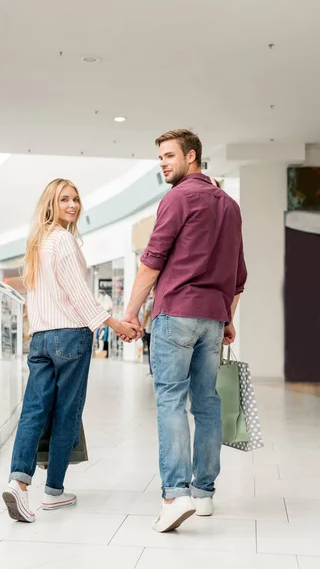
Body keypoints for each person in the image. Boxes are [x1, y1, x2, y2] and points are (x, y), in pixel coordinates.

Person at [122, 129, 247, 533]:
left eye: (169, 155)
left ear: (192, 156)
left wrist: (131, 313)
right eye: (159, 156)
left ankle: (175, 495)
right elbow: (238, 275)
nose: (162, 162)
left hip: (176, 312)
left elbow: (152, 260)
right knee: (207, 403)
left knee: (171, 400)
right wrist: (227, 318)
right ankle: (204, 493)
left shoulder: (177, 198)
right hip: (212, 318)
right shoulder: (229, 206)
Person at [2, 178, 136, 523]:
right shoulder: (63, 239)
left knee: (34, 410)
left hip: (41, 338)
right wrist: (115, 324)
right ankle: (54, 492)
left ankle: (18, 482)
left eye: (75, 199)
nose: (73, 205)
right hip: (70, 336)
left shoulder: (36, 242)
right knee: (66, 413)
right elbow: (78, 292)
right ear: (51, 203)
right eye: (65, 199)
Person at [141, 287, 155, 375]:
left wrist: (142, 328)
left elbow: (146, 316)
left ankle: (151, 370)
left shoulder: (150, 302)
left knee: (151, 350)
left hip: (150, 329)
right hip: (158, 330)